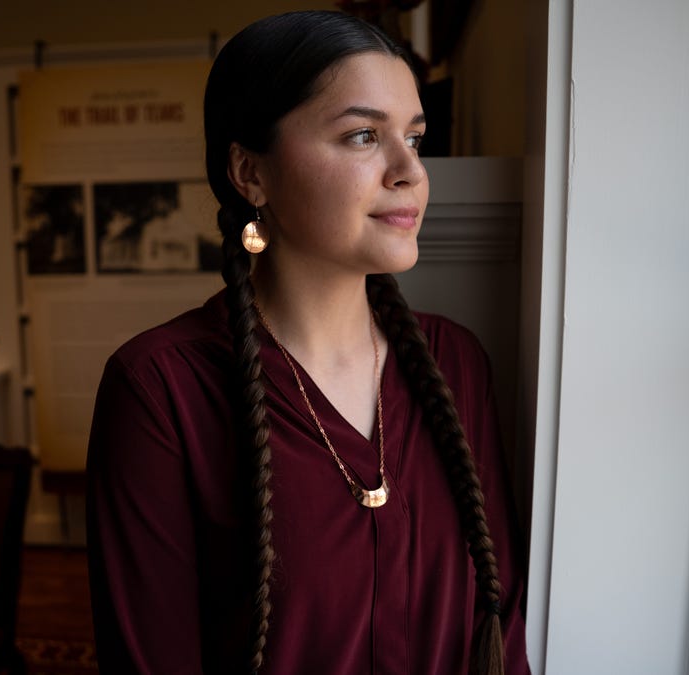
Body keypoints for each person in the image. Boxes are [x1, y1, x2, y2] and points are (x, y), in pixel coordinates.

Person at [86, 10, 529, 674]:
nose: (410, 170)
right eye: (361, 136)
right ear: (250, 172)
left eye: (415, 136)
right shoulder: (161, 389)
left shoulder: (455, 364)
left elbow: (503, 638)